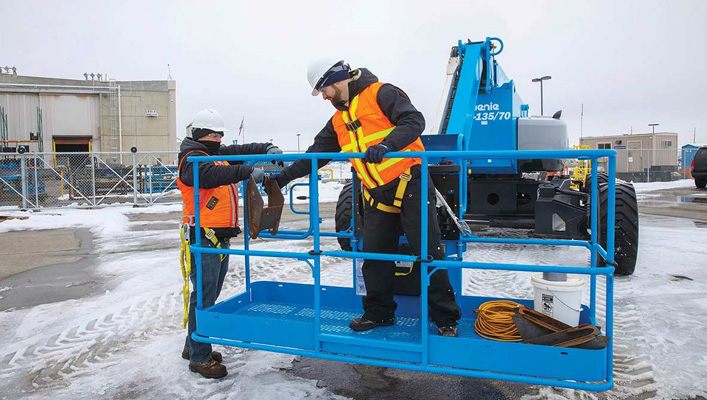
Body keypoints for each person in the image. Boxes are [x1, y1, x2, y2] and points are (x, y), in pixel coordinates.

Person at [272, 60, 461, 337]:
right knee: (373, 257)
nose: (323, 97)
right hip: (376, 193)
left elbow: (414, 121)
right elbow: (315, 155)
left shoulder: (381, 93)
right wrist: (281, 178)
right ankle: (379, 313)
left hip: (410, 184)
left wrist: (387, 146)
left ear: (336, 80)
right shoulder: (338, 120)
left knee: (428, 252)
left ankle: (445, 318)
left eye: (323, 90)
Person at [178, 108, 282, 379]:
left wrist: (267, 147)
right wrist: (247, 171)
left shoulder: (211, 153)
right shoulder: (192, 159)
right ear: (200, 134)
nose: (218, 138)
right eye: (213, 134)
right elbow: (211, 176)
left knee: (207, 295)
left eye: (220, 134)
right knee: (204, 296)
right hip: (204, 235)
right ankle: (199, 357)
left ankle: (193, 345)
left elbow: (242, 148)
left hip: (217, 236)